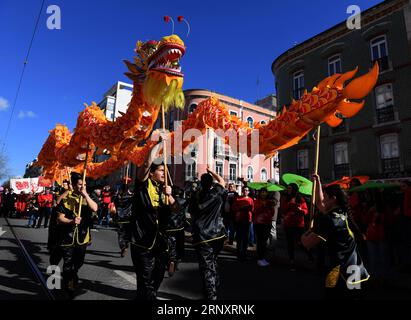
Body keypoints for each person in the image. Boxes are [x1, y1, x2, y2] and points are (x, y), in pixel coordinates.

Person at [302, 174, 369, 300]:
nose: (323, 201)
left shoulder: (329, 219)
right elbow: (319, 203)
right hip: (355, 268)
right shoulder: (343, 212)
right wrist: (318, 183)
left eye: (326, 198)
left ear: (333, 199)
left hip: (339, 272)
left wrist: (306, 233)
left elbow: (307, 243)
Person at [129, 141, 178, 300]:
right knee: (145, 279)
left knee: (157, 276)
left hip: (160, 242)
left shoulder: (165, 189)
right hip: (142, 240)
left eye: (166, 170)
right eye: (161, 170)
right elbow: (146, 164)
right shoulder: (142, 185)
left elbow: (177, 211)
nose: (164, 173)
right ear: (151, 173)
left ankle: (147, 295)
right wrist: (159, 144)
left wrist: (170, 196)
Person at [55, 172, 97, 299]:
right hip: (67, 238)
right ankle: (70, 287)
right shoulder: (66, 198)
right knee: (68, 265)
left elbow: (95, 208)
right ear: (73, 185)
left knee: (77, 264)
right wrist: (71, 221)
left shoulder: (88, 198)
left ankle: (71, 279)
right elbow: (60, 218)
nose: (82, 186)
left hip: (82, 238)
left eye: (84, 184)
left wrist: (85, 195)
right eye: (79, 184)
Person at [189, 166, 226, 300]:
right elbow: (222, 181)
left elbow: (191, 213)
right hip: (218, 234)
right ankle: (214, 285)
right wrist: (212, 172)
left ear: (201, 183)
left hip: (203, 236)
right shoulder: (216, 192)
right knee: (213, 261)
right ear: (211, 184)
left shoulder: (196, 196)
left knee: (206, 267)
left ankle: (211, 295)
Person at [281, 183, 311, 271]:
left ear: (294, 189)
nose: (288, 190)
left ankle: (309, 255)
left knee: (300, 242)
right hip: (288, 224)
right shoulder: (286, 199)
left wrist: (300, 210)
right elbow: (283, 210)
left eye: (290, 188)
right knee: (290, 243)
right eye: (288, 188)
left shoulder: (300, 199)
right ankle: (291, 261)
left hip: (298, 224)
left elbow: (306, 211)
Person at [253, 188, 275, 267]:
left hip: (267, 223)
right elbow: (255, 211)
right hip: (259, 223)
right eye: (262, 192)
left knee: (265, 241)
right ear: (260, 193)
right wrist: (263, 206)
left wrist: (271, 207)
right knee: (260, 241)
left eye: (265, 192)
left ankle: (262, 257)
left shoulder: (269, 202)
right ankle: (260, 258)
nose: (264, 194)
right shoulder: (256, 201)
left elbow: (272, 213)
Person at [111, 184, 134, 258]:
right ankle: (125, 246)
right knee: (127, 234)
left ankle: (123, 247)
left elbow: (112, 200)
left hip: (120, 218)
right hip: (128, 218)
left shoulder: (117, 197)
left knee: (121, 235)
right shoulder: (131, 197)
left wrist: (116, 193)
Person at [232, 186, 254, 261]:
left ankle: (244, 253)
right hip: (239, 220)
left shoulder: (251, 200)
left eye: (247, 190)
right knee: (239, 237)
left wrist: (248, 208)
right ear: (242, 191)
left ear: (248, 192)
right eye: (244, 190)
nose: (245, 191)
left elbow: (253, 209)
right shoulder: (237, 198)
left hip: (248, 220)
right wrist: (241, 208)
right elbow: (233, 208)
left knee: (246, 238)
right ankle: (238, 253)